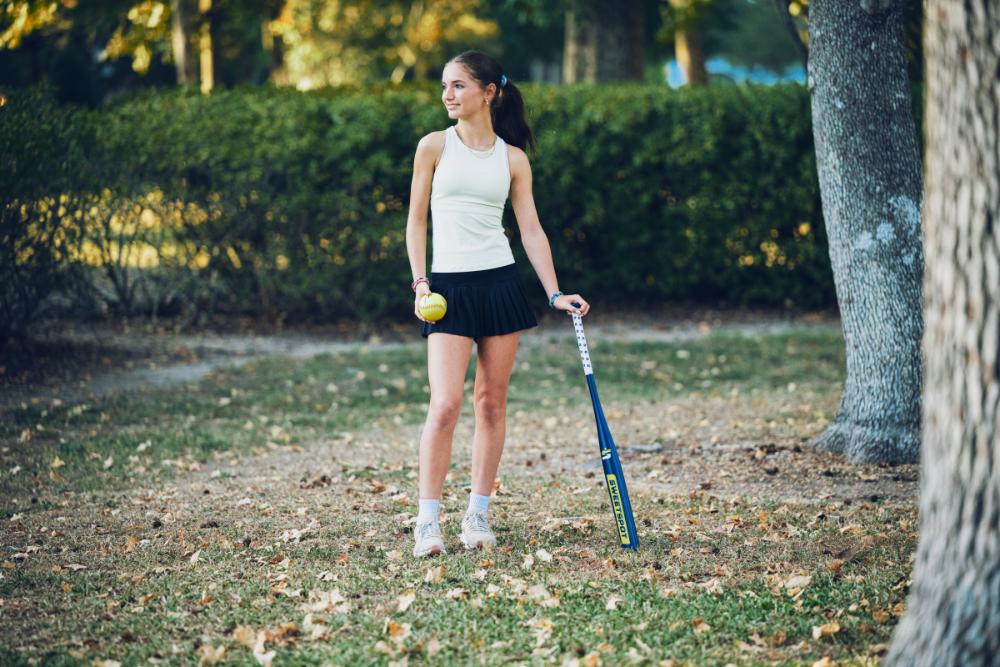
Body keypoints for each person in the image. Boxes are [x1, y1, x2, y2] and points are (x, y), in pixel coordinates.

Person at [405, 51, 590, 557]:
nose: (447, 94)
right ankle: (427, 522)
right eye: (445, 85)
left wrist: (554, 291)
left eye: (459, 85)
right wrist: (421, 282)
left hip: (500, 284)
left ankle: (478, 515)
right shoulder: (433, 147)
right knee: (444, 405)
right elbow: (416, 220)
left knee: (491, 403)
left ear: (489, 92)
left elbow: (530, 229)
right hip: (447, 289)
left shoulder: (513, 159)